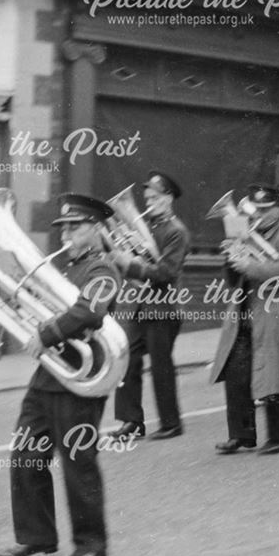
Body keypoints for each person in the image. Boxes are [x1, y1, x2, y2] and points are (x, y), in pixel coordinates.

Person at [0, 193, 121, 556]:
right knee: (24, 456)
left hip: (82, 375)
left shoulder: (104, 271)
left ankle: (91, 541)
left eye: (76, 226)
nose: (67, 233)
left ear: (97, 229)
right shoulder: (64, 268)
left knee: (77, 460)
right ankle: (36, 538)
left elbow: (88, 312)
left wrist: (47, 334)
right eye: (64, 227)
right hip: (50, 374)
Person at [210, 184, 279, 456]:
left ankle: (278, 437)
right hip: (243, 311)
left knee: (273, 375)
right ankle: (241, 435)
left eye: (268, 209)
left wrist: (249, 265)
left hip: (273, 312)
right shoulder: (245, 233)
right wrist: (230, 257)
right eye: (259, 209)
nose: (262, 214)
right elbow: (234, 281)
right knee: (236, 374)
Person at [109, 171, 190, 441]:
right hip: (136, 305)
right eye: (147, 198)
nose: (149, 203)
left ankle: (171, 423)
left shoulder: (176, 231)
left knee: (160, 366)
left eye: (155, 197)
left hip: (163, 308)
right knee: (127, 361)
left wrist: (130, 264)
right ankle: (131, 421)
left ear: (169, 199)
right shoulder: (145, 227)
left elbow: (166, 272)